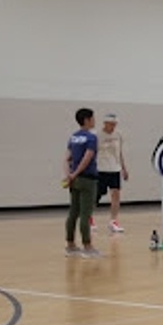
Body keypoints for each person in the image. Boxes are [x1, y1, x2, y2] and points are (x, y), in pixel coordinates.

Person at [63, 108, 99, 257]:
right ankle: (87, 246)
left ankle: (70, 245)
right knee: (86, 213)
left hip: (74, 179)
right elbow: (87, 158)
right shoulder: (91, 138)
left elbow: (66, 159)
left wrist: (69, 176)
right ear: (87, 120)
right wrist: (77, 173)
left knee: (73, 212)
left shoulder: (73, 137)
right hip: (87, 179)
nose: (94, 121)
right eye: (92, 118)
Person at [96, 113, 129, 233]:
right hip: (100, 169)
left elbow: (119, 153)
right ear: (105, 123)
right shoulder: (97, 135)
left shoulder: (118, 135)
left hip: (114, 168)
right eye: (111, 124)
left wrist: (124, 169)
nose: (113, 126)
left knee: (116, 194)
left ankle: (113, 221)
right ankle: (89, 218)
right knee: (96, 195)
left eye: (115, 124)